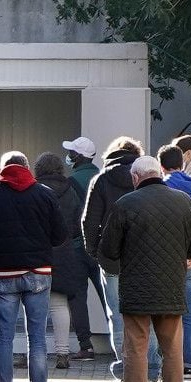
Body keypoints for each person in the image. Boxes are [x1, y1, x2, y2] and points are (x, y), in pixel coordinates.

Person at [98, 156, 191, 382]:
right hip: (171, 289)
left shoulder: (125, 204)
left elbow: (108, 249)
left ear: (135, 178)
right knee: (172, 351)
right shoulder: (184, 202)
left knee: (136, 349)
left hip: (136, 289)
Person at [0, 151, 66, 382]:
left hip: (4, 273)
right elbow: (59, 235)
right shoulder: (45, 194)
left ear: (2, 168)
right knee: (36, 337)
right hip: (38, 272)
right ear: (27, 167)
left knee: (3, 336)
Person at [82, 137, 162, 382]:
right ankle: (150, 373)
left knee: (117, 316)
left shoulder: (101, 179)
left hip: (112, 257)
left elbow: (89, 221)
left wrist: (96, 253)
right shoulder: (146, 179)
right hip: (147, 257)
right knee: (146, 314)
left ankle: (127, 372)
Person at [36, 152, 94, 368]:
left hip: (38, 253)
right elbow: (80, 220)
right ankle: (62, 353)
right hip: (64, 251)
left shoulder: (35, 190)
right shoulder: (71, 190)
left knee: (35, 307)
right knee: (60, 305)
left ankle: (35, 352)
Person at [158, 144, 191, 377]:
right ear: (183, 163)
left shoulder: (163, 189)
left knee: (165, 311)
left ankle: (168, 359)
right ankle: (187, 363)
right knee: (189, 312)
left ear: (161, 166)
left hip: (168, 257)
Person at [62, 136, 104, 361]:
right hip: (102, 248)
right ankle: (122, 346)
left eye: (71, 152)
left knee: (77, 296)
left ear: (78, 157)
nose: (68, 156)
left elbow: (68, 217)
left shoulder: (71, 182)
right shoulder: (103, 178)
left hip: (78, 247)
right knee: (110, 298)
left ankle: (85, 346)